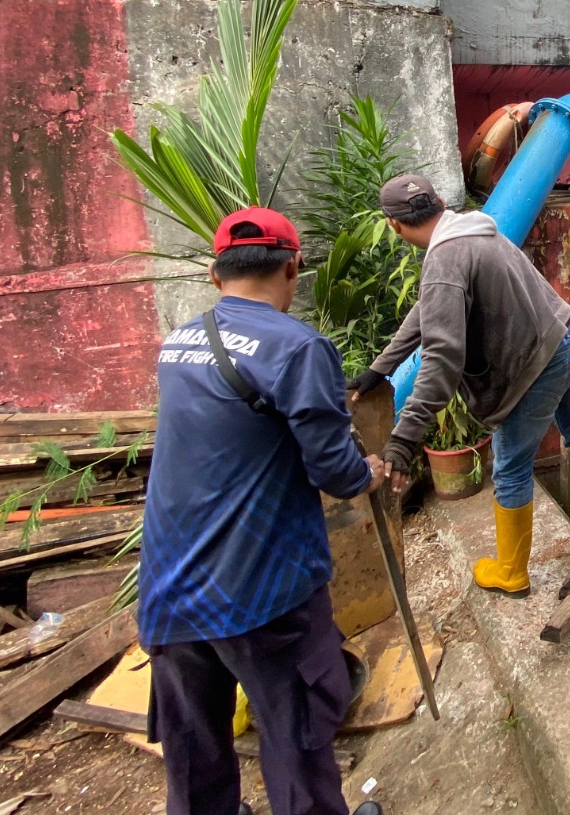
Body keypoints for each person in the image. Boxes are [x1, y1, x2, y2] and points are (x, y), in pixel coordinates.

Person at [140, 208, 387, 815]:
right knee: (296, 737)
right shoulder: (299, 348)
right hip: (261, 592)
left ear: (213, 273)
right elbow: (334, 470)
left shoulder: (178, 343)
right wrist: (369, 472)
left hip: (170, 588)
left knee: (194, 749)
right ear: (292, 266)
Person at [347, 175, 570, 598]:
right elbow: (430, 307)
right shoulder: (472, 229)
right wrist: (381, 368)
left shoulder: (445, 258)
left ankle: (512, 573)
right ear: (440, 203)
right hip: (566, 335)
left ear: (393, 225)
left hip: (538, 363)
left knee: (510, 467)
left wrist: (404, 439)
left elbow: (443, 357)